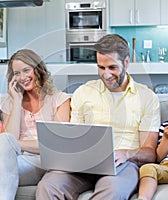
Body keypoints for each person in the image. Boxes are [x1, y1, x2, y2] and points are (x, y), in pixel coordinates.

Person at [36, 34, 161, 200]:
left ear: (126, 62)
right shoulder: (84, 92)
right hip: (83, 164)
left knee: (113, 191)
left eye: (112, 67)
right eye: (101, 68)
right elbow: (74, 136)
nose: (106, 74)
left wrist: (126, 154)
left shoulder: (147, 97)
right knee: (47, 186)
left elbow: (149, 153)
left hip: (123, 165)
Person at [0, 49, 71, 200]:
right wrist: (16, 101)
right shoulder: (11, 103)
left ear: (38, 70)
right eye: (16, 73)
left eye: (26, 70)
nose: (22, 77)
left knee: (1, 144)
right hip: (16, 158)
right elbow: (9, 138)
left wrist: (15, 144)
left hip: (45, 160)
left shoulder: (59, 99)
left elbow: (55, 144)